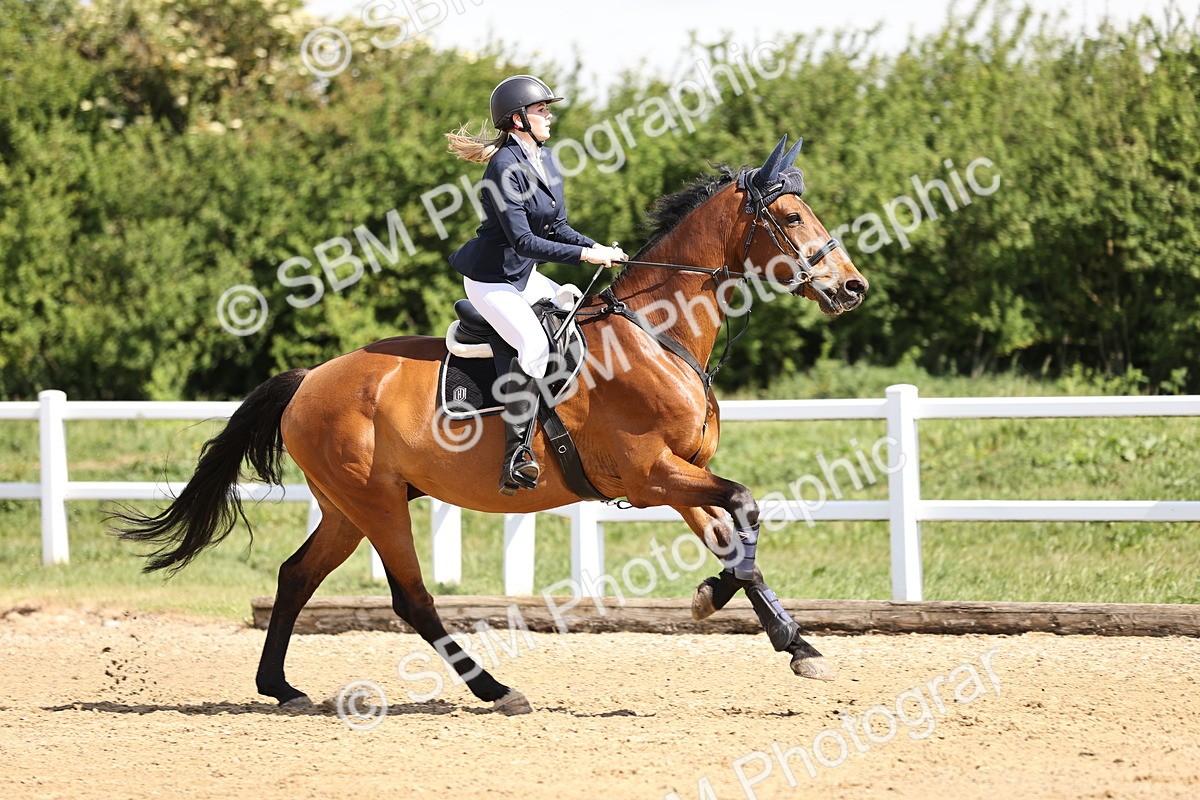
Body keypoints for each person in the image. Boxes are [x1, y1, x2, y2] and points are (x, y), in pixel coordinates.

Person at [446, 74, 628, 495]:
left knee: (578, 316)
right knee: (534, 343)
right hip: (491, 281)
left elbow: (558, 225)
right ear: (517, 120)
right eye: (541, 110)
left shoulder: (545, 159)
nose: (550, 115)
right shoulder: (503, 169)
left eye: (548, 109)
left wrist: (597, 245)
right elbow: (524, 240)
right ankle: (516, 454)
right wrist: (587, 256)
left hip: (522, 275)